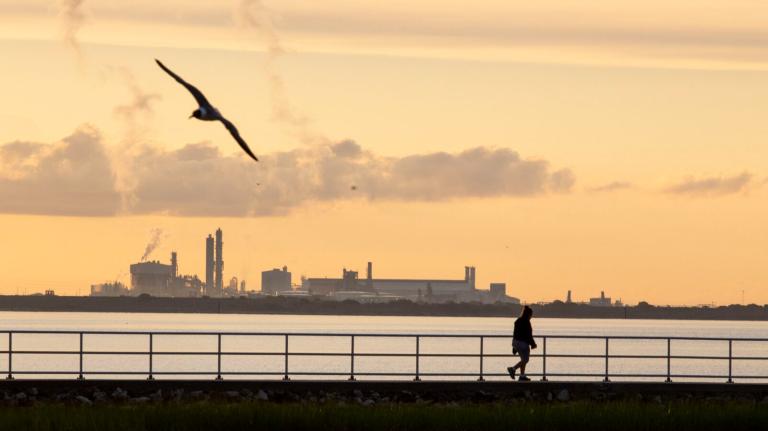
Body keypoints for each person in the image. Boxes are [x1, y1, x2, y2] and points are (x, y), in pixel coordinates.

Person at [508, 305, 537, 381]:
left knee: (523, 360)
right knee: (525, 360)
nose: (531, 316)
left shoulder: (517, 321)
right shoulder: (526, 322)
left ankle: (522, 376)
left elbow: (515, 333)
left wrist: (514, 347)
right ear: (529, 314)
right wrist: (533, 344)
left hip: (515, 342)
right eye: (531, 315)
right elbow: (528, 335)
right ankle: (513, 369)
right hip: (523, 343)